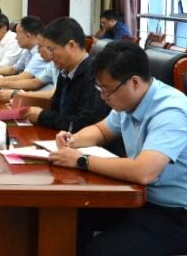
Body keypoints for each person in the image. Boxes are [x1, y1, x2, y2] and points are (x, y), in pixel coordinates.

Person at [49, 41, 187, 255]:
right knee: (70, 216)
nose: (103, 97)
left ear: (134, 82)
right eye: (100, 88)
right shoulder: (130, 100)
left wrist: (81, 160)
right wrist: (72, 140)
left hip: (175, 213)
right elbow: (102, 130)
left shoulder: (171, 111)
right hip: (140, 199)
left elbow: (144, 171)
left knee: (100, 251)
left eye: (107, 90)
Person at [20, 17, 111, 133]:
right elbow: (56, 111)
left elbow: (87, 124)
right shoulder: (64, 72)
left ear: (71, 45)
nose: (50, 55)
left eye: (52, 49)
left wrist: (42, 115)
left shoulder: (94, 75)